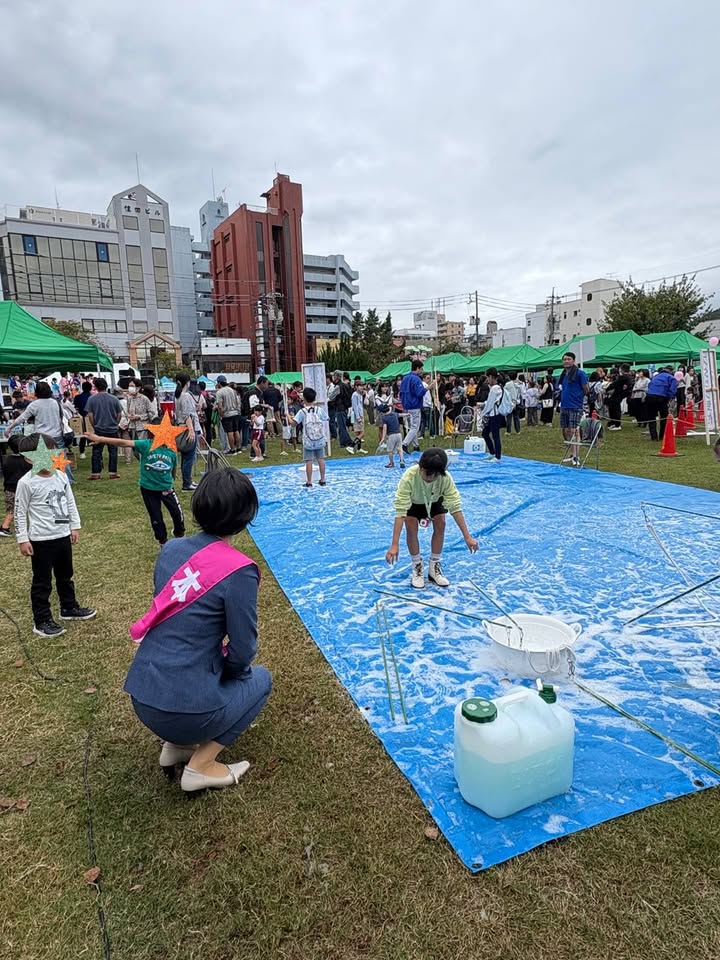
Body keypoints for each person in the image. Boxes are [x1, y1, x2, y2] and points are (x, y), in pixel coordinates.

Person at [124, 469, 272, 793]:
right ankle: (202, 764)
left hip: (143, 696)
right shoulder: (239, 571)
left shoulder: (171, 549)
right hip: (188, 708)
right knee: (260, 679)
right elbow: (244, 649)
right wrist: (230, 672)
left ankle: (176, 745)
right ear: (246, 515)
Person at [14, 433, 96, 638]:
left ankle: (69, 607)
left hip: (62, 536)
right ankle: (41, 620)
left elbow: (70, 502)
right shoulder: (26, 483)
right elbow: (19, 511)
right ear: (29, 458)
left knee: (65, 575)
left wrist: (74, 526)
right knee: (42, 581)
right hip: (41, 540)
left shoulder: (60, 475)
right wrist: (23, 539)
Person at [385, 447, 478, 589]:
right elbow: (400, 511)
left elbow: (455, 507)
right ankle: (417, 566)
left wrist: (467, 537)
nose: (429, 479)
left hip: (434, 500)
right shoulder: (409, 476)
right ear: (420, 466)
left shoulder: (445, 478)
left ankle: (434, 567)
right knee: (410, 526)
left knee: (441, 522)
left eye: (434, 476)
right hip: (414, 502)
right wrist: (394, 544)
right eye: (426, 474)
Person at [83, 427, 184, 546]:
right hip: (149, 490)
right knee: (156, 518)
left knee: (177, 514)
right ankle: (163, 542)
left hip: (166, 489)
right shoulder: (146, 445)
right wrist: (100, 438)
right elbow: (123, 442)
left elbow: (173, 467)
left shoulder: (172, 450)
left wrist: (172, 478)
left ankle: (179, 535)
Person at [12, 381, 75, 482]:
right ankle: (68, 479)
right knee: (61, 459)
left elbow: (22, 418)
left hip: (41, 436)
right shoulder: (56, 402)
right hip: (57, 434)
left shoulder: (34, 405)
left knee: (41, 460)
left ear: (37, 391)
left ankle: (44, 478)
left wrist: (10, 427)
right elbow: (64, 416)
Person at [291, 387, 329, 487]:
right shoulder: (319, 410)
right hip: (319, 439)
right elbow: (326, 418)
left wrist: (287, 415)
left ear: (304, 398)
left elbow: (293, 423)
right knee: (321, 459)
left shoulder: (302, 412)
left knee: (309, 460)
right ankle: (323, 479)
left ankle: (309, 481)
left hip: (308, 440)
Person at [85, 378, 122, 479]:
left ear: (96, 387)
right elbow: (119, 414)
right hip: (113, 428)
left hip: (99, 429)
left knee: (96, 451)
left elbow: (90, 415)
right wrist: (115, 423)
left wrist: (95, 425)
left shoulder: (91, 399)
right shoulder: (114, 399)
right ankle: (113, 472)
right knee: (113, 451)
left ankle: (95, 473)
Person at [557, 352, 589, 467]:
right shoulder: (563, 374)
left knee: (574, 430)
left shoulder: (580, 374)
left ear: (573, 361)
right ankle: (571, 453)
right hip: (564, 405)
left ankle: (576, 456)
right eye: (564, 359)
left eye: (568, 359)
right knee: (565, 431)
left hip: (575, 406)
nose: (566, 361)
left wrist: (578, 396)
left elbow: (586, 389)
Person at [0, 434, 32, 537]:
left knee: (12, 509)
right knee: (24, 508)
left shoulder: (6, 460)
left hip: (9, 489)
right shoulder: (28, 461)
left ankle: (6, 527)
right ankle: (5, 528)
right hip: (22, 490)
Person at [174, 373, 200, 491]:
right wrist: (191, 430)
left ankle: (187, 480)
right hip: (187, 428)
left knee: (185, 457)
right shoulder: (185, 396)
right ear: (187, 382)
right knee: (189, 457)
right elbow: (186, 415)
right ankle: (187, 483)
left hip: (180, 427)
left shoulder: (178, 396)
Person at [479, 367, 508, 464]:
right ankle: (492, 453)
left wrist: (482, 413)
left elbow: (490, 404)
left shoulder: (495, 389)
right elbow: (491, 402)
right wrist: (483, 405)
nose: (487, 380)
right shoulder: (497, 387)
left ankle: (498, 456)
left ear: (491, 377)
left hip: (495, 415)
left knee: (495, 435)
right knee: (485, 433)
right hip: (494, 414)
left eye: (487, 377)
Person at [399, 359, 427, 454]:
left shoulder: (405, 378)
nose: (422, 370)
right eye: (421, 368)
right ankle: (404, 444)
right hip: (414, 405)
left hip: (406, 405)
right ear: (418, 368)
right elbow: (419, 393)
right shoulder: (416, 379)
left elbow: (401, 393)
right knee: (415, 427)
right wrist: (427, 388)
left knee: (412, 427)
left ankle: (416, 445)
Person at [645, 365, 678, 442]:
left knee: (651, 417)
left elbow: (650, 385)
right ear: (671, 371)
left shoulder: (655, 377)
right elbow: (672, 390)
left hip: (650, 397)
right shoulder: (671, 378)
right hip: (661, 397)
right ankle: (662, 436)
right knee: (663, 417)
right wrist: (668, 398)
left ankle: (653, 437)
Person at [214, 375, 242, 455]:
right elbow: (237, 402)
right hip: (235, 413)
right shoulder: (232, 390)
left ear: (219, 383)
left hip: (227, 414)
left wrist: (221, 415)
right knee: (236, 431)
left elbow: (220, 406)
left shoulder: (219, 392)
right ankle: (239, 448)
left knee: (230, 432)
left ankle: (232, 449)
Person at [378, 402, 406, 469]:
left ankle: (391, 463)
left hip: (391, 436)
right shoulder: (394, 414)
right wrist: (407, 414)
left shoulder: (384, 418)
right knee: (400, 449)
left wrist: (383, 438)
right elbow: (401, 414)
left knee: (390, 450)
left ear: (382, 412)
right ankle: (402, 460)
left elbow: (385, 428)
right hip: (399, 434)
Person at [351, 383, 368, 453]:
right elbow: (355, 406)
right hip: (357, 416)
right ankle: (351, 446)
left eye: (362, 386)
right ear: (356, 387)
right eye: (360, 386)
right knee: (362, 433)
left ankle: (359, 448)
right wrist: (358, 417)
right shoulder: (355, 395)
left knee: (359, 432)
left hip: (360, 414)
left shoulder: (360, 395)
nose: (362, 388)